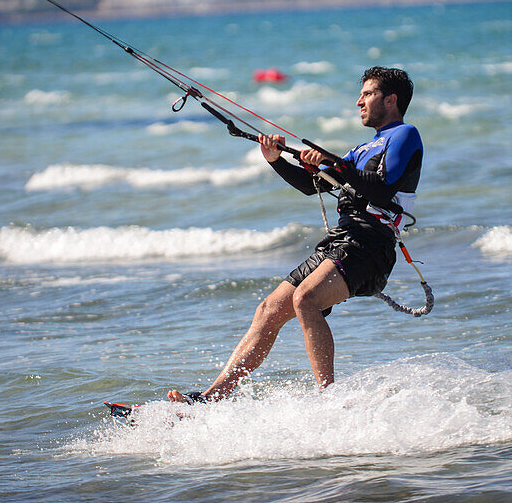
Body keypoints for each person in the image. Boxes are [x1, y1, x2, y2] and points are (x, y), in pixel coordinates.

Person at [168, 66, 423, 403]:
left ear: (390, 99)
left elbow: (380, 188)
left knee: (306, 300)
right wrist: (277, 159)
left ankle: (327, 399)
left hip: (371, 244)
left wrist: (333, 162)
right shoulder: (363, 149)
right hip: (342, 242)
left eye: (367, 94)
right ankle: (212, 399)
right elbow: (311, 185)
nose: (358, 101)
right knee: (268, 310)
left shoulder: (404, 135)